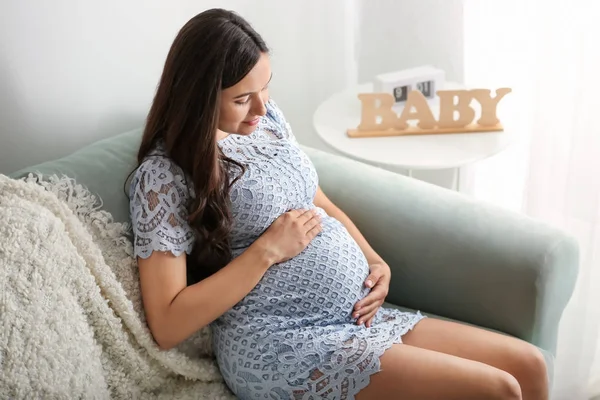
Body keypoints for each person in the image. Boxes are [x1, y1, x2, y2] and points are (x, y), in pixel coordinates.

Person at [128, 8, 549, 400]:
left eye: (265, 86)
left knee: (529, 366)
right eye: (242, 99)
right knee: (499, 390)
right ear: (200, 99)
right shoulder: (164, 176)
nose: (262, 106)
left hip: (356, 316)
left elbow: (315, 198)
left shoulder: (266, 120)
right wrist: (266, 251)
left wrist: (374, 260)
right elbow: (167, 323)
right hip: (279, 340)